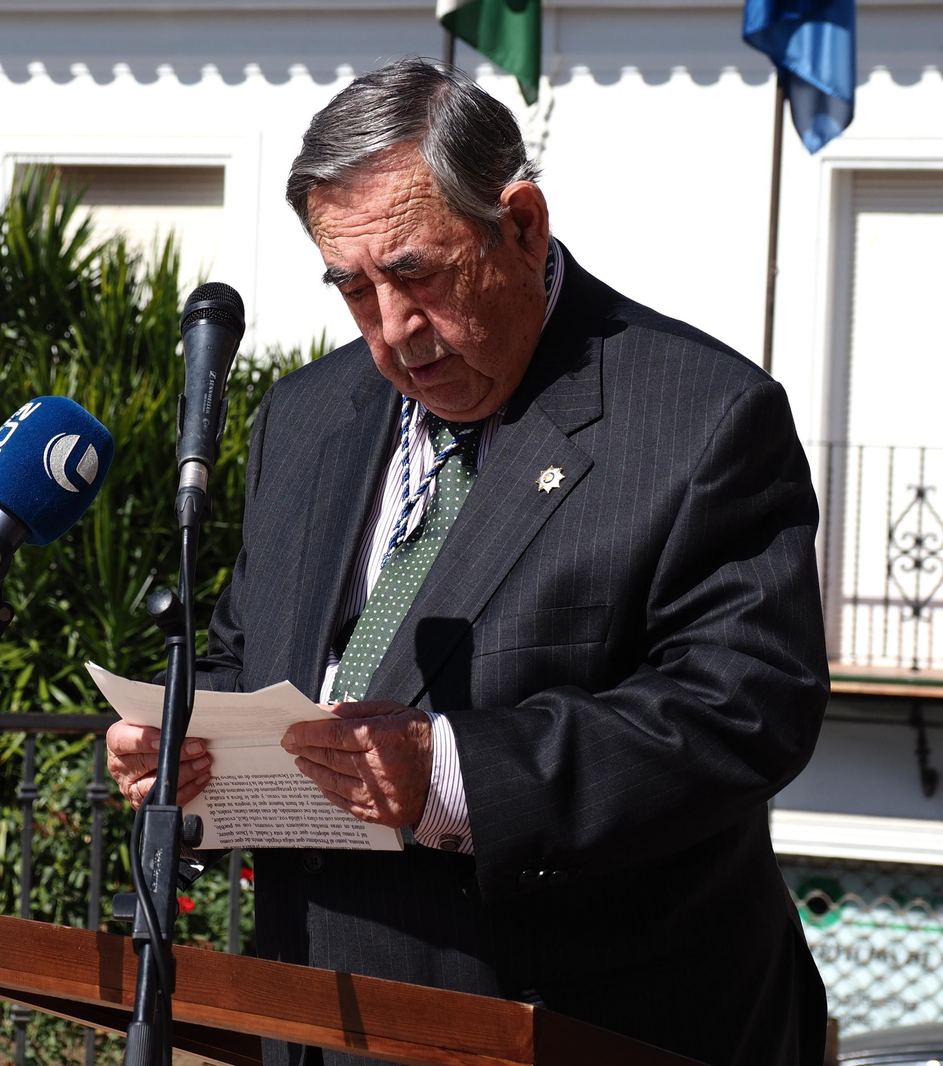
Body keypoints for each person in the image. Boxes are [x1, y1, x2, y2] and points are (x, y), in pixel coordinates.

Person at [105, 58, 829, 1066]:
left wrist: (448, 771)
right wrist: (187, 741)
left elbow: (743, 709)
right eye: (353, 290)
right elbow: (248, 652)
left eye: (416, 275)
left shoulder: (702, 416)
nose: (394, 332)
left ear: (520, 226)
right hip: (317, 1014)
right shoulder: (304, 416)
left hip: (588, 1027)